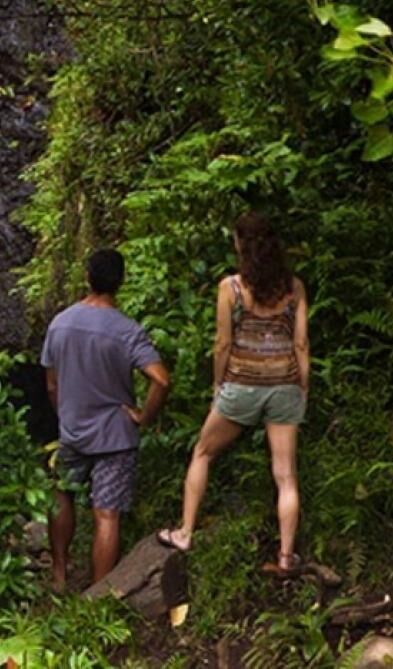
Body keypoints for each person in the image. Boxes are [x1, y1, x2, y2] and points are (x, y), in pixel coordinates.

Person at [156, 212, 311, 572]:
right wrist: (302, 387)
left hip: (241, 384)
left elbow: (223, 342)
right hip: (284, 385)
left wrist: (217, 384)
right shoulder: (295, 287)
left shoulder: (232, 288)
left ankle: (185, 532)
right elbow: (301, 344)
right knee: (286, 474)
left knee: (202, 452)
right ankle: (286, 557)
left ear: (240, 244)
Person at [41, 248, 172, 588]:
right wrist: (143, 416)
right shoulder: (126, 330)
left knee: (61, 494)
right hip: (115, 435)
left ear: (87, 277)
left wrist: (65, 413)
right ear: (121, 282)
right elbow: (161, 379)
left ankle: (58, 574)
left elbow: (52, 385)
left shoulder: (60, 323)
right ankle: (98, 595)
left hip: (71, 429)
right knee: (107, 514)